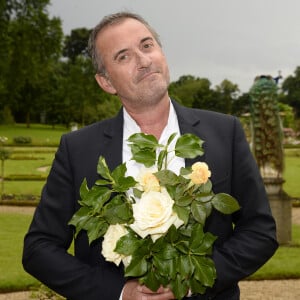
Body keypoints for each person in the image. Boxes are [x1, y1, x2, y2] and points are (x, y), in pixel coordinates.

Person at [23, 11, 278, 300]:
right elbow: (38, 249)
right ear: (106, 82)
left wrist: (195, 276)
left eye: (147, 46)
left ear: (162, 53)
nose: (143, 60)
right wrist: (119, 292)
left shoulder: (225, 133)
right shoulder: (77, 149)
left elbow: (260, 232)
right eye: (123, 56)